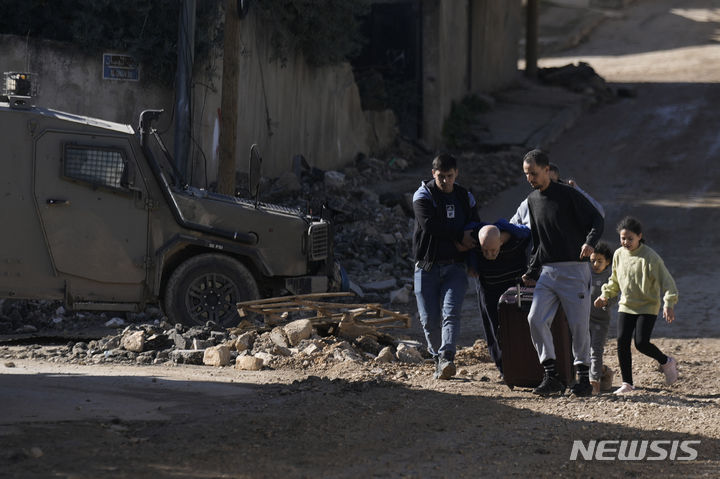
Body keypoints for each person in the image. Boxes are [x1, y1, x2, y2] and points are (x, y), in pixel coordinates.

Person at [520, 149, 604, 397]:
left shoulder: (568, 195)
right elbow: (538, 241)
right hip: (547, 272)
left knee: (578, 326)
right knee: (535, 319)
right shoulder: (532, 201)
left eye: (533, 173)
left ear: (547, 170)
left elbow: (596, 219)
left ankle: (583, 379)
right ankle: (551, 375)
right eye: (526, 174)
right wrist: (532, 270)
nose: (530, 178)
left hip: (574, 270)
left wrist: (590, 242)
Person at [594, 216, 679, 394]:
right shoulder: (618, 254)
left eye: (630, 238)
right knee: (622, 342)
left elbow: (668, 283)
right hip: (627, 305)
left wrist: (668, 303)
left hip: (648, 306)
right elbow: (614, 281)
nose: (626, 242)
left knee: (641, 343)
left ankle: (666, 362)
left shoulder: (650, 257)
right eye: (623, 238)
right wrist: (605, 295)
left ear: (639, 236)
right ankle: (627, 383)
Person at [413, 153, 479, 380]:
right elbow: (430, 226)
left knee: (451, 313)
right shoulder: (424, 195)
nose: (445, 181)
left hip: (456, 268)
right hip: (427, 267)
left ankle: (448, 356)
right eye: (441, 176)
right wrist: (459, 237)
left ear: (456, 174)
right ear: (433, 174)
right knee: (428, 319)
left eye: (449, 176)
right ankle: (437, 358)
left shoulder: (464, 197)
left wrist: (472, 260)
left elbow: (475, 226)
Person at [466, 220, 531, 375]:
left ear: (501, 241)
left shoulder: (517, 235)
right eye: (485, 251)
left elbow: (531, 235)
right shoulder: (474, 238)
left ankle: (528, 366)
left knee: (521, 326)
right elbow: (467, 246)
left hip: (514, 288)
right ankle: (506, 370)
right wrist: (472, 264)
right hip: (489, 289)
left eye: (493, 250)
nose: (489, 255)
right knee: (495, 330)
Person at [588, 242, 616, 394]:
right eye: (592, 260)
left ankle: (595, 384)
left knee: (595, 351)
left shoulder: (611, 277)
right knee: (582, 351)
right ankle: (605, 372)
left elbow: (614, 295)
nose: (595, 264)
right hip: (583, 320)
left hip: (600, 321)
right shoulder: (585, 273)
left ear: (608, 262)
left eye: (600, 261)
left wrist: (605, 301)